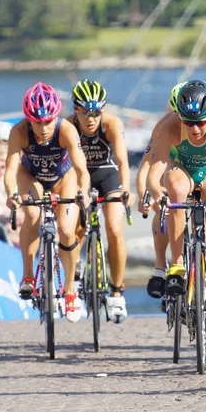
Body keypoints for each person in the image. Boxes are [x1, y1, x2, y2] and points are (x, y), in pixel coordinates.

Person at [146, 79, 206, 353]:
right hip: (181, 171)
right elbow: (154, 171)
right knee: (174, 189)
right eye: (189, 122)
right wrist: (155, 193)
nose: (195, 129)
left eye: (201, 122)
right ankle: (177, 265)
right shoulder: (170, 126)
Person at [4, 82, 90, 322]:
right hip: (31, 175)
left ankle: (71, 290)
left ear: (56, 117)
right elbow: (11, 171)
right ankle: (28, 277)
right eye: (37, 122)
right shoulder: (19, 132)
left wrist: (83, 191)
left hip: (64, 176)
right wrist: (11, 194)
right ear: (28, 120)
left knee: (65, 229)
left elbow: (81, 169)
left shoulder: (66, 130)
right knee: (31, 215)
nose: (43, 128)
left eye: (48, 121)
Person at [66, 79, 136, 324]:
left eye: (96, 112)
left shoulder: (112, 124)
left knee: (115, 229)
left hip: (107, 173)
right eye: (85, 113)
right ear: (76, 111)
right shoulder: (67, 125)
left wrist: (126, 189)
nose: (91, 118)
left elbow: (123, 160)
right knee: (74, 226)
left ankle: (117, 291)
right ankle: (73, 272)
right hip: (78, 176)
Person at [142, 82, 186, 298]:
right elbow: (146, 165)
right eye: (176, 111)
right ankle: (160, 265)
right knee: (163, 210)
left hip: (197, 174)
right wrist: (148, 194)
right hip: (169, 172)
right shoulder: (163, 126)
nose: (181, 119)